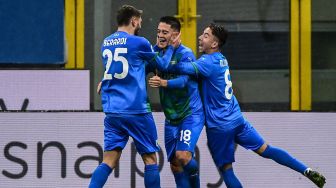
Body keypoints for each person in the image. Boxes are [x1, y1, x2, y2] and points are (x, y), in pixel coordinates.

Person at [162, 23, 326, 188]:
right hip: (237, 119)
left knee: (227, 171)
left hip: (219, 126)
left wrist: (171, 51)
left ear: (214, 44)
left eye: (205, 35)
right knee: (266, 150)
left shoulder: (206, 62)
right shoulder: (221, 59)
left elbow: (178, 67)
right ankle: (306, 170)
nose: (200, 37)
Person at [89, 5, 173, 188]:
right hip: (136, 110)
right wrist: (172, 48)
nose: (140, 24)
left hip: (112, 111)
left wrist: (104, 81)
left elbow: (122, 69)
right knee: (150, 159)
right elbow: (163, 65)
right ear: (133, 21)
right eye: (140, 21)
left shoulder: (106, 42)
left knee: (108, 161)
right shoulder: (139, 42)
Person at [147, 16, 204, 188]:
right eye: (158, 32)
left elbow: (184, 82)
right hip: (171, 118)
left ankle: (195, 181)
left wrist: (163, 83)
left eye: (165, 32)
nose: (160, 36)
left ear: (176, 35)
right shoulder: (156, 53)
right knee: (174, 164)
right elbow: (137, 69)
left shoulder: (186, 54)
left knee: (183, 156)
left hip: (190, 114)